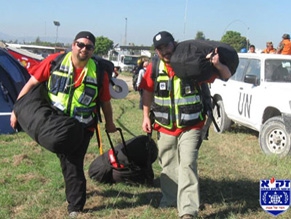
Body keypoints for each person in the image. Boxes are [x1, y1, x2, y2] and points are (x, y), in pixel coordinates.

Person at [10, 31, 116, 218]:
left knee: (72, 161)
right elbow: (32, 82)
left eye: (89, 47)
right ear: (73, 45)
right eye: (80, 44)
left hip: (83, 126)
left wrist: (110, 124)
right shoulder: (55, 61)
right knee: (68, 161)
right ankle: (76, 196)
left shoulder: (98, 72)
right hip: (55, 122)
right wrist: (17, 109)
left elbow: (105, 102)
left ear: (93, 51)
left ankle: (75, 206)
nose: (84, 49)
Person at [139, 31, 231, 219]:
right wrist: (146, 116)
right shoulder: (155, 67)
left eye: (167, 46)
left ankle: (188, 210)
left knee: (187, 164)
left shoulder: (191, 63)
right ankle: (170, 199)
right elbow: (147, 91)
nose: (165, 51)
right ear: (156, 51)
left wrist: (218, 64)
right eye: (160, 48)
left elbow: (226, 76)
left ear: (175, 44)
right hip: (164, 126)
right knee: (168, 164)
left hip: (191, 125)